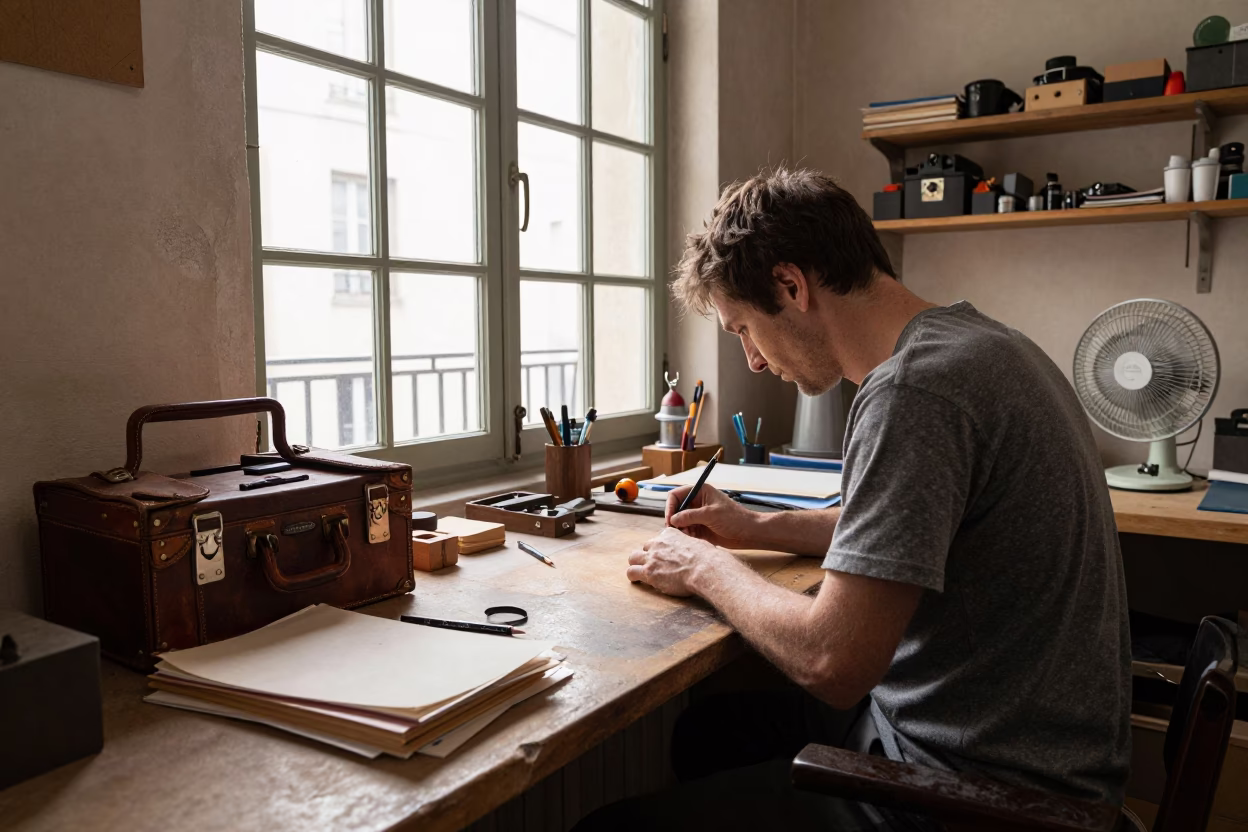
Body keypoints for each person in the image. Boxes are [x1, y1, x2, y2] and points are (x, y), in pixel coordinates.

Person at [574, 168, 1131, 831]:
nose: (752, 361)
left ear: (791, 286)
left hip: (985, 797)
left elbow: (831, 660)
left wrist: (702, 567)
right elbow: (903, 525)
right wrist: (754, 525)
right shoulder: (982, 345)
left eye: (743, 329)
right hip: (1015, 747)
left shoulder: (913, 392)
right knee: (709, 732)